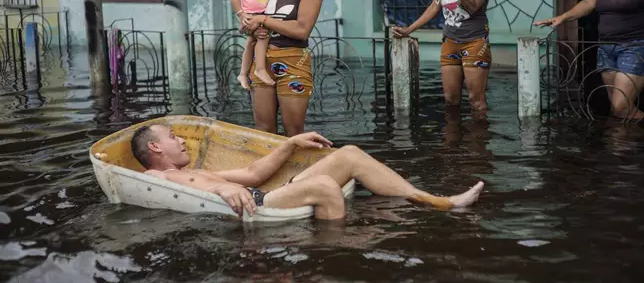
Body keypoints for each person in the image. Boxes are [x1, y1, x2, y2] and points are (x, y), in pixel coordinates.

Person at [131, 124, 485, 220]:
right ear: (156, 149)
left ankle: (438, 201)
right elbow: (145, 185)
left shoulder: (201, 169)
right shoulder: (156, 177)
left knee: (349, 155)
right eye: (173, 137)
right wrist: (222, 191)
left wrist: (292, 143)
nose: (182, 141)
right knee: (326, 186)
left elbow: (255, 174)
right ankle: (334, 253)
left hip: (263, 193)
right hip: (261, 206)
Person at [392, 0, 494, 114]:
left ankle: (478, 142)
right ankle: (453, 143)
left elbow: (472, 7)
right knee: (450, 100)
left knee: (476, 101)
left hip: (474, 42)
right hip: (450, 42)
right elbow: (435, 6)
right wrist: (409, 29)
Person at [240, 0, 322, 137]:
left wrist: (263, 20)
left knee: (294, 132)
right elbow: (249, 7)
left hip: (294, 62)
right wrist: (248, 24)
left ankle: (298, 172)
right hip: (261, 61)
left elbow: (302, 30)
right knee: (263, 130)